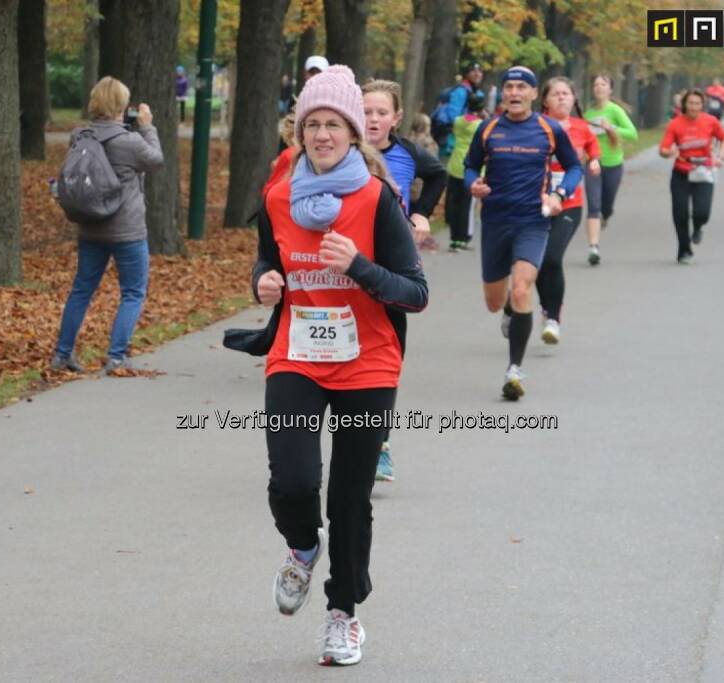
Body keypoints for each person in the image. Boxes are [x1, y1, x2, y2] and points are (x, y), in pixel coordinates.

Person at [249, 64, 427, 666]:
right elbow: (267, 264)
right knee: (294, 482)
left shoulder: (376, 199)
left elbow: (414, 292)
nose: (322, 135)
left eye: (334, 125)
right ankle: (302, 548)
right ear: (299, 133)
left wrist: (358, 267)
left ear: (354, 133)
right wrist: (265, 283)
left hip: (367, 363)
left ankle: (343, 614)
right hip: (296, 356)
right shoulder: (278, 195)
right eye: (312, 125)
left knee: (349, 499)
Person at [464, 66, 583, 400]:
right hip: (495, 222)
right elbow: (470, 165)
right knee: (495, 301)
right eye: (508, 87)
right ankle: (508, 313)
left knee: (521, 289)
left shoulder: (550, 129)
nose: (514, 93)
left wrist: (559, 195)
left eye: (521, 88)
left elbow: (573, 166)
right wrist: (472, 183)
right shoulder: (488, 129)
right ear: (502, 93)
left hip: (533, 221)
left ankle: (514, 370)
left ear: (533, 94)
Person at [361, 78, 445, 481]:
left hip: (394, 267)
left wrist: (421, 213)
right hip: (343, 265)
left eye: (380, 112)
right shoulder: (336, 152)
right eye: (365, 111)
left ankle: (380, 445)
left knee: (387, 357)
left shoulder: (409, 154)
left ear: (395, 118)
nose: (372, 119)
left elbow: (439, 175)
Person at [50, 77, 164, 374]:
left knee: (82, 289)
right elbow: (156, 161)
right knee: (133, 291)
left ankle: (62, 354)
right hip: (127, 229)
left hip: (91, 225)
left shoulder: (80, 136)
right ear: (121, 106)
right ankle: (116, 357)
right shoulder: (130, 141)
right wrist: (148, 126)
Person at [536, 77, 600, 345]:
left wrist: (594, 161)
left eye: (566, 93)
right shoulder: (535, 127)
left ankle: (553, 317)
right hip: (536, 202)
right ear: (545, 100)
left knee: (552, 257)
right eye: (556, 94)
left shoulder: (582, 127)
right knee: (536, 261)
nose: (562, 98)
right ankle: (546, 306)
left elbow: (593, 150)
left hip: (569, 203)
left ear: (574, 99)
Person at [659, 89, 724, 264]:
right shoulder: (675, 124)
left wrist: (720, 157)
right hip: (681, 173)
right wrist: (669, 152)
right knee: (680, 213)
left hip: (704, 171)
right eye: (690, 103)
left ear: (702, 105)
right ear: (685, 104)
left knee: (702, 212)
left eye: (697, 104)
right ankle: (684, 250)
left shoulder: (710, 121)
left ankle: (698, 227)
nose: (693, 107)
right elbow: (663, 149)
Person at [582, 74, 638, 266]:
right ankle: (594, 247)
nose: (598, 87)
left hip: (613, 163)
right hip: (593, 164)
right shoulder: (588, 114)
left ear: (610, 89)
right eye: (595, 84)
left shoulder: (615, 110)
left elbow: (633, 134)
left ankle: (605, 215)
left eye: (603, 84)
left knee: (606, 206)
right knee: (593, 205)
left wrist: (611, 128)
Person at [445, 91, 486, 251]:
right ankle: (464, 238)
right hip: (470, 166)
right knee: (467, 206)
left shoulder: (458, 121)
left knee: (455, 203)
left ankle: (453, 238)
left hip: (455, 163)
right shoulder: (480, 125)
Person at [437, 62, 483, 158]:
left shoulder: (478, 93)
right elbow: (453, 117)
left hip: (467, 138)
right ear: (466, 74)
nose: (477, 74)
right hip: (453, 140)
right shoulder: (460, 91)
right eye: (473, 71)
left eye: (479, 71)